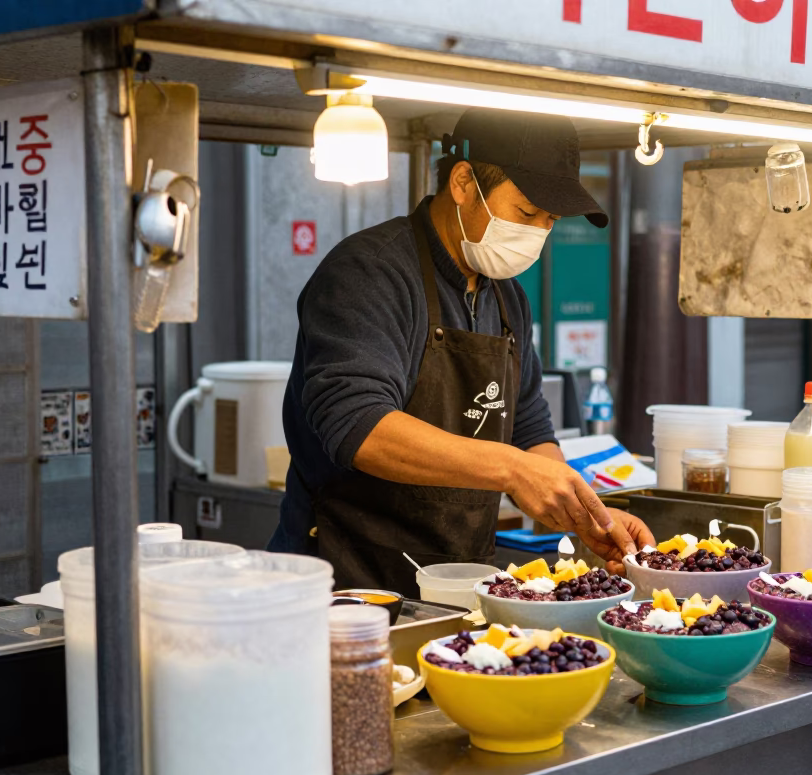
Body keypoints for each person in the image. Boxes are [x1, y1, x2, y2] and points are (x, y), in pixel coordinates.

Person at [268, 108, 654, 594]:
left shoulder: (506, 295)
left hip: (460, 585)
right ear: (464, 183)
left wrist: (586, 514)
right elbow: (357, 424)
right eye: (527, 213)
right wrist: (512, 470)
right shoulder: (369, 273)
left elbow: (527, 425)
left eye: (550, 220)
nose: (538, 232)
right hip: (345, 586)